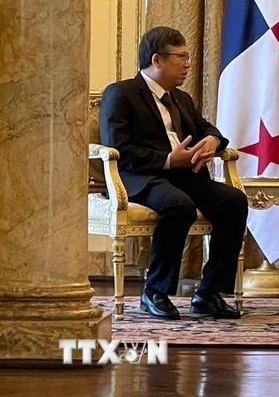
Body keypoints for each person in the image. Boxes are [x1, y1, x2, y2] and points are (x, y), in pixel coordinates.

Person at [99, 26, 248, 320]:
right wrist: (168, 159)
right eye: (181, 57)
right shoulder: (121, 93)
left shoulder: (180, 98)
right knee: (178, 205)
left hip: (184, 175)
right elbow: (119, 148)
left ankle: (208, 293)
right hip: (141, 177)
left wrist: (213, 141)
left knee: (233, 201)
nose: (187, 64)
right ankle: (154, 291)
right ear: (157, 60)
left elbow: (206, 128)